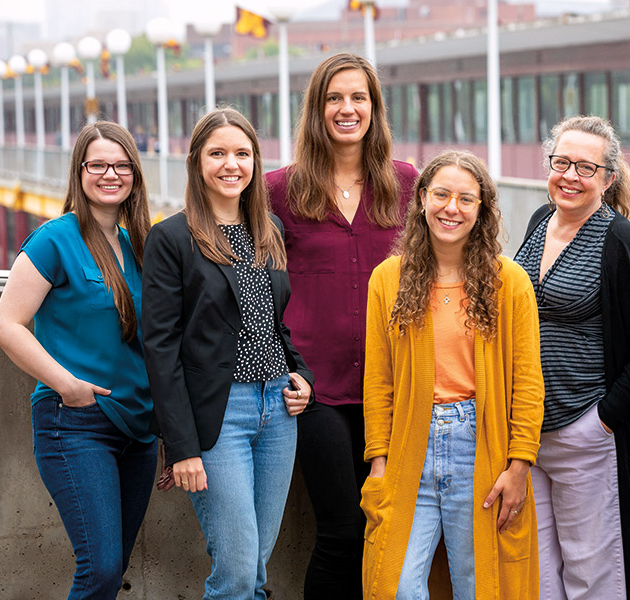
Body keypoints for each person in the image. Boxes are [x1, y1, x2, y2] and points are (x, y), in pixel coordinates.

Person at [141, 107, 314, 600]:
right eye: (217, 153)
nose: (231, 164)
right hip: (218, 418)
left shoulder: (270, 231)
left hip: (278, 412)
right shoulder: (171, 237)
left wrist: (299, 374)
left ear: (256, 161)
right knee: (237, 570)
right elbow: (160, 348)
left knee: (255, 567)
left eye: (242, 153)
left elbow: (273, 322)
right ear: (197, 161)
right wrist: (182, 448)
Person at [264, 52, 419, 598]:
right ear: (317, 109)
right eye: (335, 98)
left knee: (391, 529)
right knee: (342, 529)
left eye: (359, 97)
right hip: (316, 391)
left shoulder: (405, 184)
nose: (347, 108)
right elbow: (251, 288)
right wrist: (283, 367)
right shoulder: (279, 191)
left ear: (374, 108)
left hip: (395, 388)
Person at [362, 150, 545, 599]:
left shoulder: (510, 282)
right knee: (395, 584)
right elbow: (378, 381)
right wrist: (380, 465)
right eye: (441, 194)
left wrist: (519, 464)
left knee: (477, 585)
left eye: (466, 199)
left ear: (482, 210)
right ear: (422, 198)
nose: (451, 208)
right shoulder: (388, 279)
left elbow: (527, 381)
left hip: (479, 446)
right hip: (409, 446)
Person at [0, 121, 156, 599]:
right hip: (76, 424)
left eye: (122, 165)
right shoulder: (53, 239)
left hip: (138, 430)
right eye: (98, 164)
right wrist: (67, 384)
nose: (111, 174)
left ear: (135, 175)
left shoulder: (137, 246)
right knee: (99, 570)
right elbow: (5, 324)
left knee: (113, 569)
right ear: (79, 171)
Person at [513, 115, 630, 600]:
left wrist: (603, 419)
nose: (570, 176)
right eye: (562, 162)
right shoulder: (540, 221)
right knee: (539, 575)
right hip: (528, 436)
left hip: (586, 432)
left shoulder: (621, 242)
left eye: (586, 166)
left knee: (593, 577)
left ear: (608, 178)